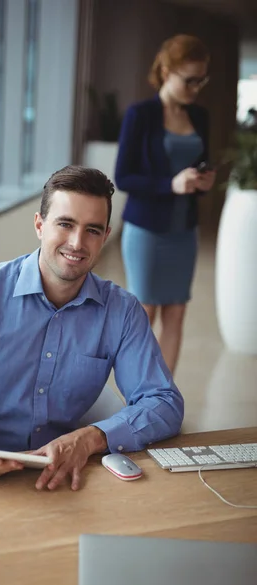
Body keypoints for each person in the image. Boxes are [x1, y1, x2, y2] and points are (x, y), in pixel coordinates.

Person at [0, 165, 184, 491]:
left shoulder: (122, 311)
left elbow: (164, 402)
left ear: (106, 236)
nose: (77, 243)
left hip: (62, 476)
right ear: (39, 224)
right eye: (65, 224)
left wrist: (91, 437)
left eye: (92, 230)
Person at [115, 34, 216, 374]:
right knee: (145, 315)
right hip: (146, 232)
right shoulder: (140, 115)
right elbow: (124, 177)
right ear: (167, 71)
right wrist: (170, 184)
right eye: (190, 80)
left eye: (201, 80)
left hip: (183, 231)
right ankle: (137, 399)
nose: (196, 87)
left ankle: (162, 396)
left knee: (176, 313)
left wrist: (203, 183)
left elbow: (201, 164)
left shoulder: (199, 116)